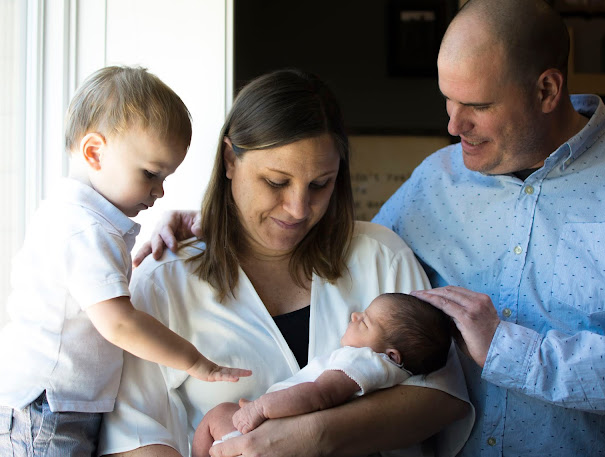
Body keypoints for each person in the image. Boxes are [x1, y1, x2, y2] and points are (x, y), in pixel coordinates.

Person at [98, 68, 475, 457]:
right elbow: (135, 436)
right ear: (230, 159)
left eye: (320, 184)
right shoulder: (164, 280)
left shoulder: (380, 254)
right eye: (276, 183)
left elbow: (442, 396)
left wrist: (316, 435)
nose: (298, 209)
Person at [373, 0, 605, 455]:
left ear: (547, 90)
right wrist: (216, 233)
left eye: (478, 105)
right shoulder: (433, 180)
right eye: (449, 101)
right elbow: (349, 269)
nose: (455, 125)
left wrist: (508, 349)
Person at [0, 66, 250, 457]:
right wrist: (194, 361)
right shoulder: (84, 229)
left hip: (62, 403)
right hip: (46, 409)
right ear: (94, 152)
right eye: (151, 173)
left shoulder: (84, 220)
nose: (160, 190)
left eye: (166, 176)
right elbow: (118, 322)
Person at [191, 292, 452, 457]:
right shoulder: (395, 377)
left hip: (272, 435)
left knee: (217, 416)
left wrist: (260, 408)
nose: (355, 315)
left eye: (365, 321)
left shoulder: (365, 359)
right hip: (285, 438)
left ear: (392, 355)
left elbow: (318, 395)